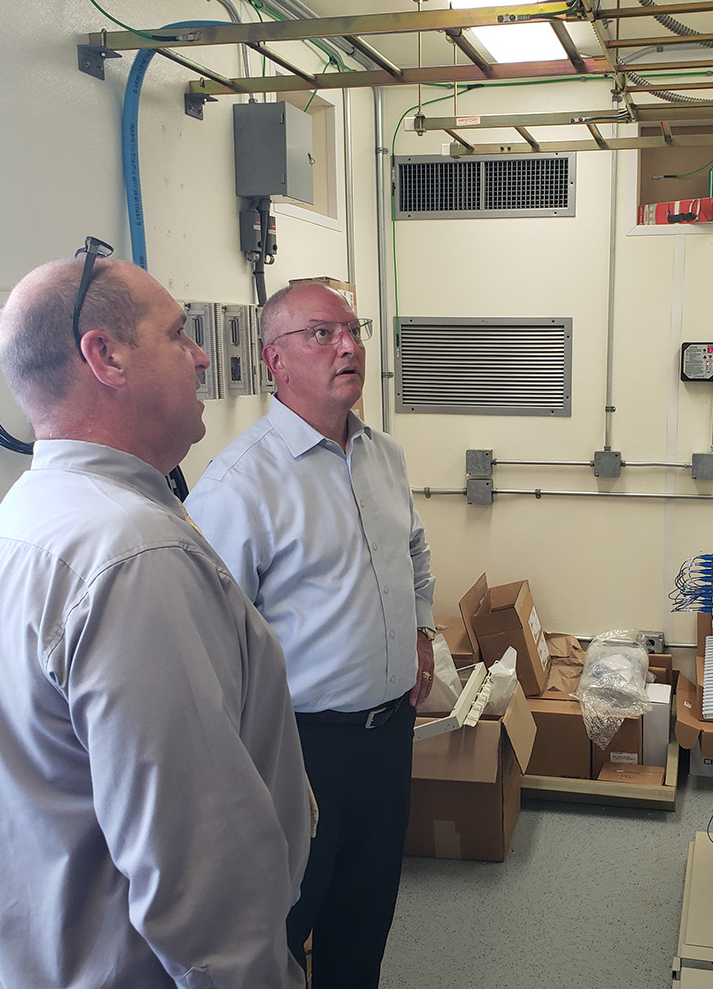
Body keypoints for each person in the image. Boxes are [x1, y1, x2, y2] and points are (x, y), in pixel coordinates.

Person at [0, 245, 311, 989]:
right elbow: (200, 874)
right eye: (178, 335)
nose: (203, 359)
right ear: (104, 356)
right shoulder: (133, 555)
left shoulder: (26, 519)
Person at [185, 280, 436, 989]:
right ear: (275, 360)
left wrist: (419, 633)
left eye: (352, 329)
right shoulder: (238, 484)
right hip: (298, 752)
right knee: (283, 928)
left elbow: (414, 554)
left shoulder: (383, 456)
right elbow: (212, 640)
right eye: (322, 334)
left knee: (364, 923)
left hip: (388, 739)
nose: (348, 345)